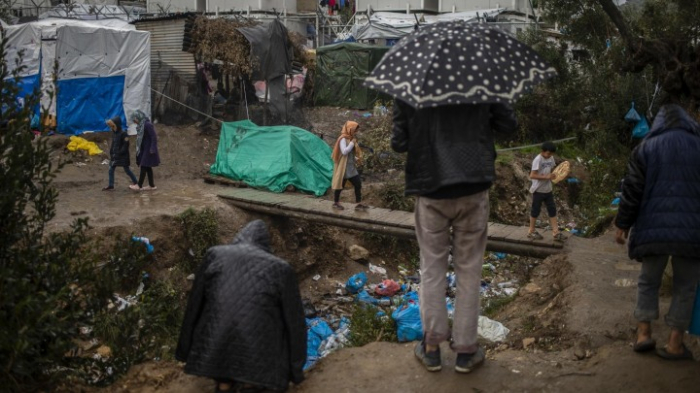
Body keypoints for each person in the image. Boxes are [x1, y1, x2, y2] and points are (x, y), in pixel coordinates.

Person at [392, 99, 517, 373]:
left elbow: (398, 143)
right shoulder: (480, 76)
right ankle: (466, 352)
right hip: (473, 186)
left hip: (430, 189)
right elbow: (509, 124)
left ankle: (432, 348)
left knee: (432, 268)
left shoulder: (412, 81)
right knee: (470, 269)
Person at [176, 220, 307, 392]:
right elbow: (295, 323)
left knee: (218, 315)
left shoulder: (214, 254)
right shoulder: (281, 268)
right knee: (272, 315)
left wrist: (184, 352)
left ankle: (224, 385)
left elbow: (194, 306)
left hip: (214, 347)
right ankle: (249, 384)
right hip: (258, 354)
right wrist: (296, 371)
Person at [615, 104, 700, 361]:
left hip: (653, 231)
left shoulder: (646, 147)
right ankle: (675, 344)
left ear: (659, 123)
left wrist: (623, 224)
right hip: (691, 232)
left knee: (648, 281)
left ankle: (643, 334)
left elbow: (632, 190)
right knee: (686, 286)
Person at [527, 141, 565, 242]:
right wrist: (546, 177)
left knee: (552, 210)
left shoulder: (551, 158)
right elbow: (532, 175)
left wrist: (555, 175)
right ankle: (531, 231)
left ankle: (556, 232)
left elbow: (552, 170)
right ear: (542, 151)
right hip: (538, 190)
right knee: (535, 210)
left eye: (551, 154)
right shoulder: (538, 160)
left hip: (548, 189)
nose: (549, 156)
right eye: (548, 153)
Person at [331, 120, 367, 211]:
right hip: (344, 168)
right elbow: (344, 152)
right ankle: (336, 203)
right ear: (350, 129)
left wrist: (355, 158)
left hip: (351, 167)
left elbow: (349, 154)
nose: (356, 132)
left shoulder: (350, 139)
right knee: (340, 185)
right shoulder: (342, 139)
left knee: (358, 184)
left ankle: (358, 204)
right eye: (355, 130)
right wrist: (352, 143)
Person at [102, 116, 138, 191]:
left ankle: (136, 182)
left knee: (127, 170)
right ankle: (111, 185)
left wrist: (120, 152)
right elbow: (114, 144)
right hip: (115, 155)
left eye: (112, 126)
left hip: (122, 156)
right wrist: (112, 152)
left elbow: (126, 144)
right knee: (111, 169)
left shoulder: (123, 133)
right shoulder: (114, 133)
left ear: (116, 125)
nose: (111, 128)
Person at [129, 110, 160, 191]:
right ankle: (152, 185)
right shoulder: (141, 126)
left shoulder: (147, 125)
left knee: (144, 166)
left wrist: (152, 148)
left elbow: (153, 137)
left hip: (149, 149)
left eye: (134, 120)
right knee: (147, 166)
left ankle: (139, 185)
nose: (134, 122)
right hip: (145, 148)